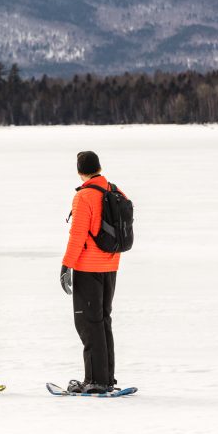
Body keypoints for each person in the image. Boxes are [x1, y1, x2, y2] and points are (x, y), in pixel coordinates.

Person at [59, 151, 122, 394]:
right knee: (103, 320)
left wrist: (67, 265)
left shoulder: (84, 196)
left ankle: (95, 380)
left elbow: (78, 235)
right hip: (111, 266)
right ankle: (106, 377)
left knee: (88, 322)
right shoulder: (115, 191)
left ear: (79, 171)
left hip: (88, 267)